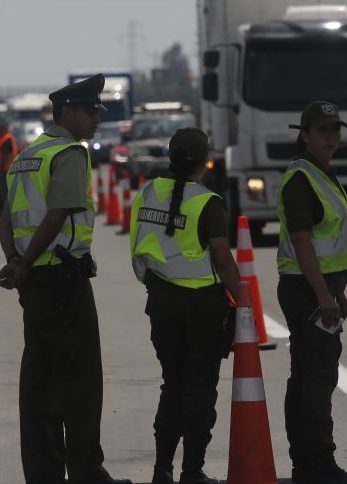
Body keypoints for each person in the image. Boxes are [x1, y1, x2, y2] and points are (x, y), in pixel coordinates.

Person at [0, 74, 130, 484]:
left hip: (34, 283)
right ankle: (88, 473)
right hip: (62, 280)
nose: (96, 120)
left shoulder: (27, 155)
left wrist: (17, 262)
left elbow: (7, 220)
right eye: (90, 112)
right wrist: (26, 261)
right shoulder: (69, 153)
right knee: (81, 383)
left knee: (40, 383)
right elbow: (57, 215)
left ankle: (43, 473)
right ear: (68, 112)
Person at [129, 128, 240, 484]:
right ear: (206, 161)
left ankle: (162, 469)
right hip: (203, 309)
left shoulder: (148, 192)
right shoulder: (208, 202)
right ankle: (192, 470)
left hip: (162, 303)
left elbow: (139, 243)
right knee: (200, 389)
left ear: (171, 156)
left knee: (172, 385)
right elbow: (223, 262)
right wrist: (247, 301)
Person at [277, 101, 347, 484]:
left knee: (307, 377)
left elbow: (327, 241)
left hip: (318, 288)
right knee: (317, 380)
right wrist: (324, 295)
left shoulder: (320, 172)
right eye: (323, 130)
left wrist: (336, 290)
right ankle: (318, 466)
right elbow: (302, 241)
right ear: (304, 134)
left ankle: (307, 465)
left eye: (336, 130)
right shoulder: (302, 178)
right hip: (307, 291)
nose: (332, 136)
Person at [0, 120, 18, 217]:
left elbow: (4, 157)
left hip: (5, 172)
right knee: (3, 195)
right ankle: (3, 216)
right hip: (5, 171)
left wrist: (1, 172)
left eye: (1, 129)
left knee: (3, 195)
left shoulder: (7, 139)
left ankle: (4, 217)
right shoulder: (4, 139)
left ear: (4, 129)